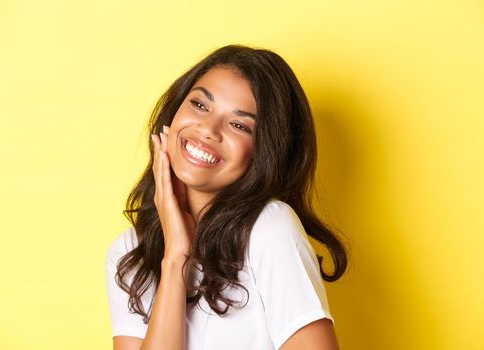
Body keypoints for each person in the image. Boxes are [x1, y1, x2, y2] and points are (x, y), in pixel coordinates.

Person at [105, 45, 349, 350]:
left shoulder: (269, 228)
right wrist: (176, 258)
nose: (208, 129)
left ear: (264, 152)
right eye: (199, 105)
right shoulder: (130, 252)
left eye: (239, 125)